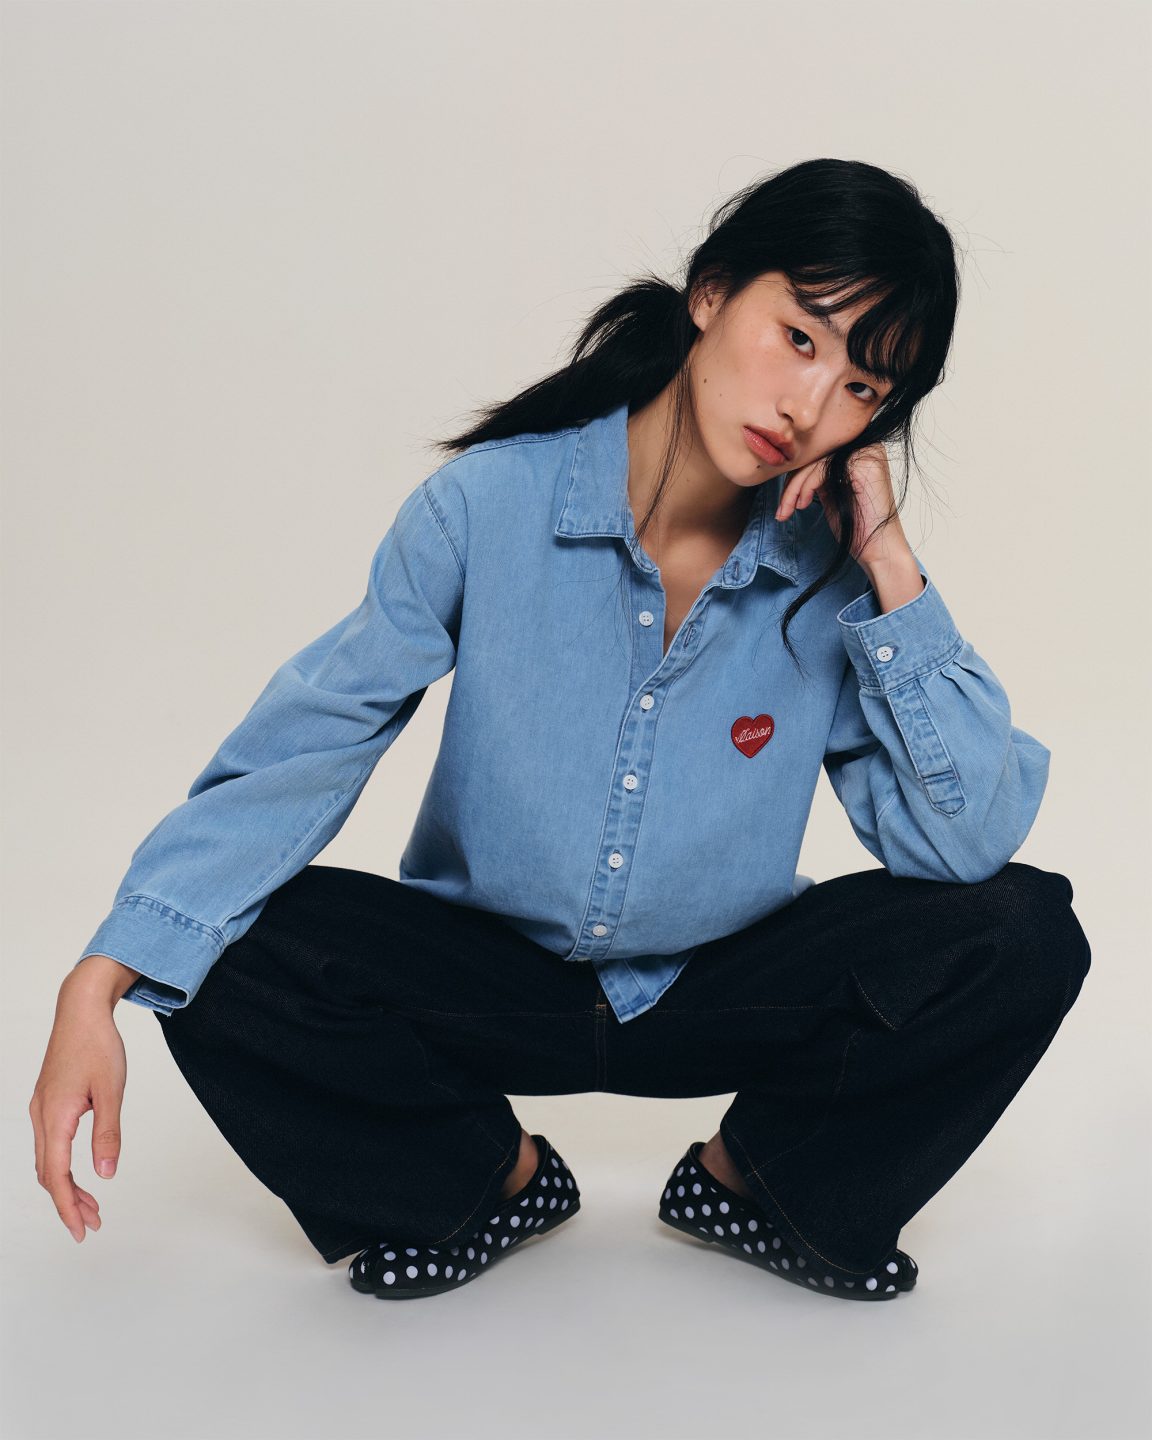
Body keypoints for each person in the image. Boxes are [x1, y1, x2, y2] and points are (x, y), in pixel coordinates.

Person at [30, 157, 1091, 1303]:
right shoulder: (485, 508)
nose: (809, 405)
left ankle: (758, 1184)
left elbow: (964, 846)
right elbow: (313, 740)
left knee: (1024, 932)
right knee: (214, 945)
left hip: (716, 988)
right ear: (711, 292)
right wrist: (99, 977)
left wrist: (889, 563)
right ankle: (488, 1177)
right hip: (490, 980)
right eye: (800, 337)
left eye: (861, 388)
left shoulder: (831, 577)